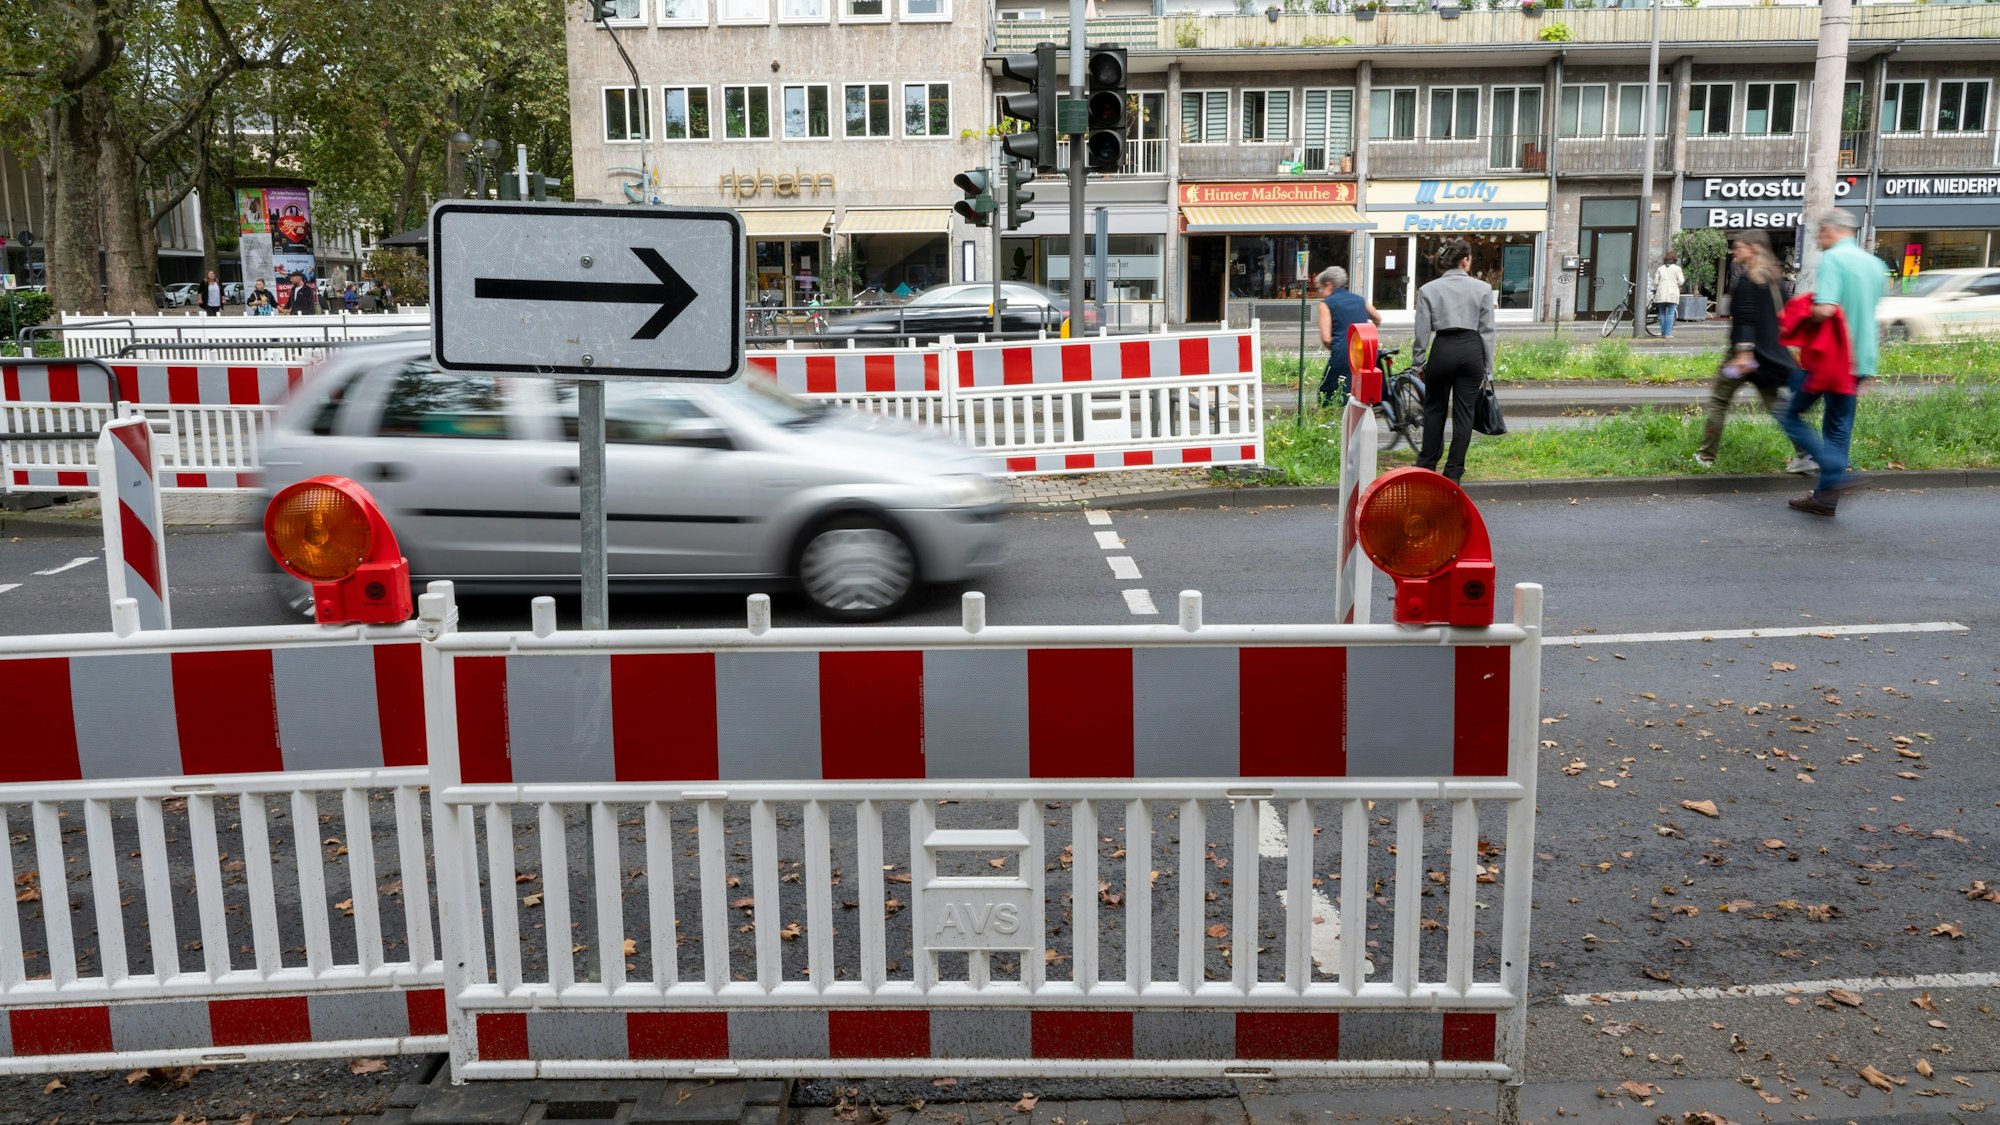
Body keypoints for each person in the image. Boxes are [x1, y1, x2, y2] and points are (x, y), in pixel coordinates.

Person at [1781, 208, 1885, 517]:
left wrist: (1802, 314)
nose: (1819, 241)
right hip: (1861, 357)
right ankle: (1826, 498)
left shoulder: (1834, 260)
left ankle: (1835, 474)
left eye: (1820, 235)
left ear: (1831, 231)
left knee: (1789, 415)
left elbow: (1825, 310)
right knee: (1839, 428)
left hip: (1831, 355)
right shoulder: (1875, 264)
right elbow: (1872, 314)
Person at [1696, 231, 1799, 467]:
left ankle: (1706, 456)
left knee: (1719, 401)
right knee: (1777, 406)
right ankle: (1805, 452)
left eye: (1739, 247)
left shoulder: (1746, 280)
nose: (1734, 251)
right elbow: (1782, 318)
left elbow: (1745, 318)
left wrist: (1743, 352)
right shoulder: (1776, 282)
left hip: (1743, 357)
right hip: (1767, 359)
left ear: (1753, 248)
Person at [1410, 238, 1496, 482]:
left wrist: (1418, 362)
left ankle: (1427, 465)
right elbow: (1487, 331)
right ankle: (1454, 472)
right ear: (1466, 260)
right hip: (1472, 349)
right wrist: (1488, 367)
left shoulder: (1428, 290)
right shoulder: (1483, 289)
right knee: (1464, 413)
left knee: (1434, 409)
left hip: (1443, 347)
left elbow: (1422, 331)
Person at [1314, 265, 1381, 406]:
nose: (1320, 293)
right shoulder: (1360, 300)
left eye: (1320, 288)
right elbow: (1377, 318)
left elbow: (1326, 339)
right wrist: (1366, 332)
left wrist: (1339, 346)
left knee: (1327, 393)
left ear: (1329, 285)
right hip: (1367, 350)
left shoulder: (1326, 304)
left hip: (1343, 353)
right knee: (1360, 392)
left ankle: (1332, 423)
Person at [1651, 251, 1685, 338]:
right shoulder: (1677, 268)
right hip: (1672, 293)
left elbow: (1655, 281)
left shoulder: (1660, 268)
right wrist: (1675, 283)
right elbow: (1681, 281)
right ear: (1675, 259)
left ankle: (1663, 333)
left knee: (1662, 313)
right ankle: (1668, 334)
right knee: (1670, 313)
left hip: (1661, 293)